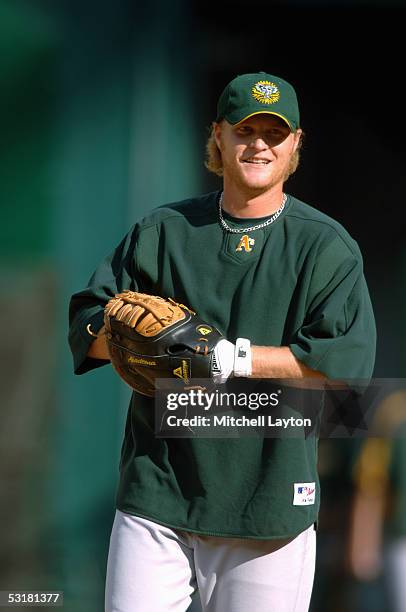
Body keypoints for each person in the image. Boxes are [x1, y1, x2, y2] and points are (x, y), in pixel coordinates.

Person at [68, 71, 376, 612]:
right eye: (244, 129)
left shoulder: (325, 247)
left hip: (269, 503)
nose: (259, 143)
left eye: (274, 133)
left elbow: (342, 372)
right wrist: (129, 344)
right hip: (159, 493)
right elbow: (87, 326)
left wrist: (224, 357)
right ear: (218, 135)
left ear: (296, 143)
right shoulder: (162, 230)